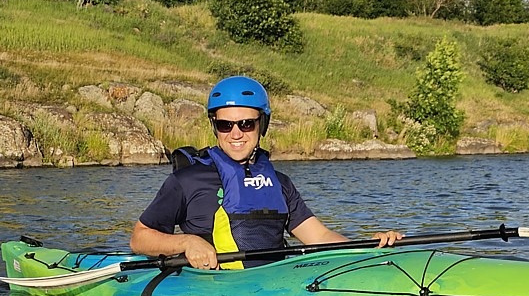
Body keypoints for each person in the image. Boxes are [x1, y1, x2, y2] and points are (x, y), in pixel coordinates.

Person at [130, 76, 402, 269]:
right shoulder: (187, 180)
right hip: (213, 288)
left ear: (263, 124)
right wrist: (187, 242)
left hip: (275, 284)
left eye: (247, 124)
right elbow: (139, 237)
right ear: (215, 127)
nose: (236, 134)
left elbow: (319, 238)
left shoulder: (280, 183)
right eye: (225, 125)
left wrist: (367, 247)